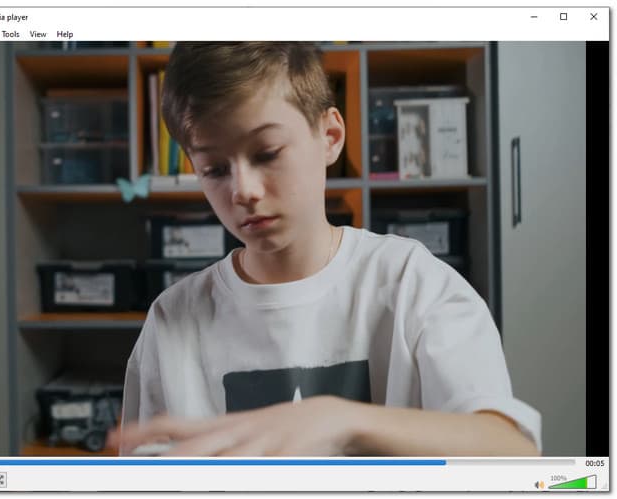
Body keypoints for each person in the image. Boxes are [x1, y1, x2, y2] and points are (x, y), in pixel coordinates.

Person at [107, 42, 541, 456]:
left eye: (267, 153)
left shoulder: (411, 282)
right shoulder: (172, 319)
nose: (244, 190)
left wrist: (341, 421)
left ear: (330, 136)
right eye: (215, 169)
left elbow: (513, 451)